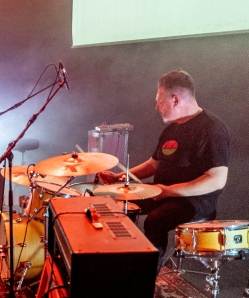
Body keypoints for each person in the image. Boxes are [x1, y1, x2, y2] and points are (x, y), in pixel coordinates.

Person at [98, 70, 230, 269]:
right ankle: (120, 259)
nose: (156, 107)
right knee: (116, 201)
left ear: (175, 99)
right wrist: (120, 177)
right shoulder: (172, 128)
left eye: (159, 101)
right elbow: (154, 164)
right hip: (162, 192)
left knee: (155, 221)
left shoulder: (211, 129)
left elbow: (216, 179)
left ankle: (148, 275)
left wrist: (168, 191)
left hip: (194, 200)